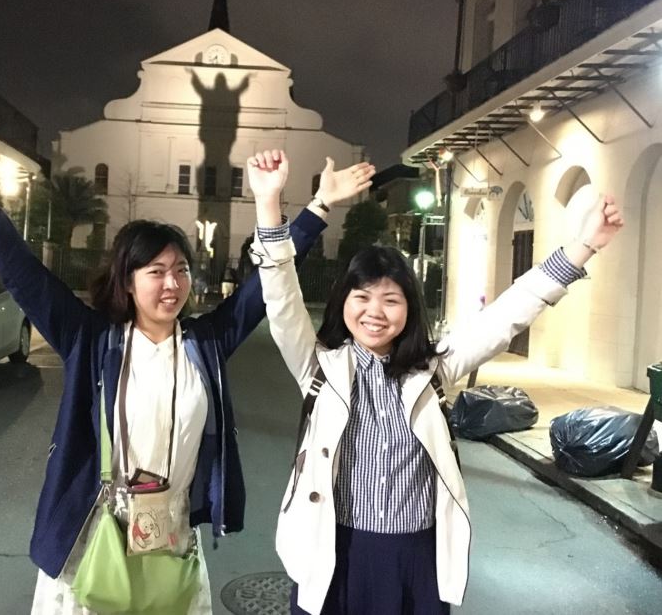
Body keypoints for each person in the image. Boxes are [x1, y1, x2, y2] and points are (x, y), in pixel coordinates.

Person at [0, 117, 375, 615]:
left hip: (170, 536)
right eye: (156, 272)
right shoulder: (94, 340)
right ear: (127, 281)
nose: (172, 284)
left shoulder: (204, 343)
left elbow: (266, 287)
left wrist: (316, 207)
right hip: (94, 535)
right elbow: (23, 273)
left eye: (181, 270)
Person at [248, 151, 624, 615]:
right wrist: (268, 203)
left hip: (416, 557)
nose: (374, 312)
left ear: (409, 310)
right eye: (361, 297)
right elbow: (281, 296)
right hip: (335, 551)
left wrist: (582, 247)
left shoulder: (433, 370)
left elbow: (508, 313)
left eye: (391, 299)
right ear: (342, 303)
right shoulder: (319, 368)